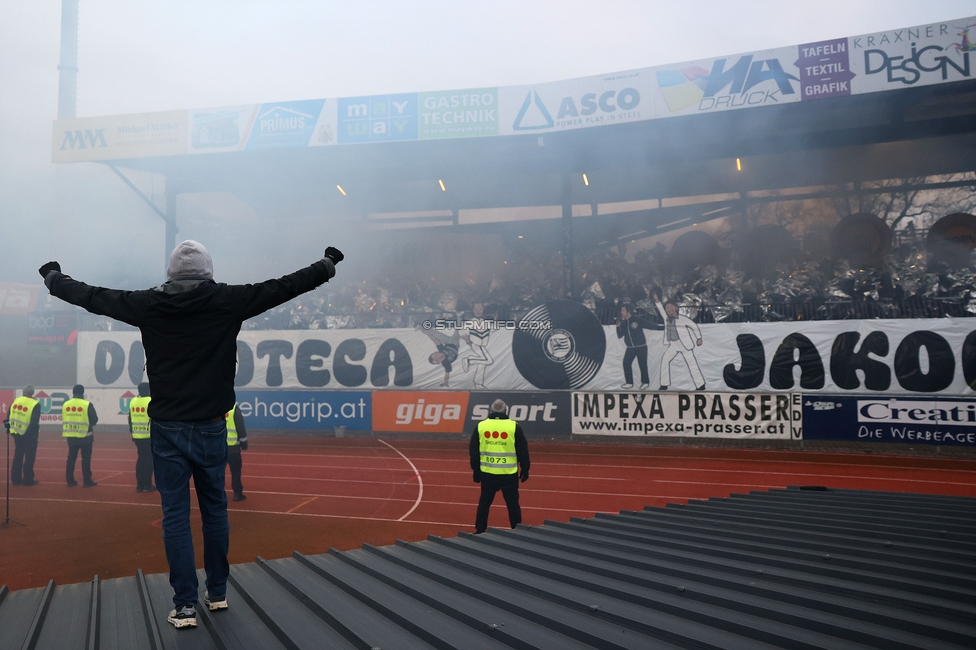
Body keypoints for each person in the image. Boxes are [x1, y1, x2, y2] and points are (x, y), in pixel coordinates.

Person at [40, 239, 343, 630]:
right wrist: (327, 263)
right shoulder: (229, 301)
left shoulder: (148, 304)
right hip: (213, 425)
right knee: (215, 511)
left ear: (170, 273)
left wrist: (53, 278)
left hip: (166, 428)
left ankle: (184, 606)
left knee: (176, 517)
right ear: (208, 271)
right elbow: (286, 285)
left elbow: (93, 297)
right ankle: (216, 593)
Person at [469, 399, 529, 534]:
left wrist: (476, 470)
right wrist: (525, 468)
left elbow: (474, 451)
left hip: (487, 473)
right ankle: (517, 530)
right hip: (508, 473)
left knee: (484, 504)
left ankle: (479, 530)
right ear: (505, 411)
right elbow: (522, 450)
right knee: (513, 504)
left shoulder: (481, 426)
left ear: (491, 411)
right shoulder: (514, 426)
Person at [654, 293, 706, 391]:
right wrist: (657, 301)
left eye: (671, 307)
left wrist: (698, 338)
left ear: (676, 308)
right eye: (667, 308)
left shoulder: (682, 318)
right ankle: (664, 384)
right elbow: (660, 309)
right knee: (665, 360)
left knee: (692, 363)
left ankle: (700, 385)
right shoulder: (666, 318)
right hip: (673, 344)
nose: (669, 309)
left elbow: (693, 326)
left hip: (683, 344)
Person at [63, 384, 98, 488]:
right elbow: (94, 419)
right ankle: (87, 481)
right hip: (85, 436)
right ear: (83, 392)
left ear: (73, 392)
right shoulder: (86, 404)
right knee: (86, 459)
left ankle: (69, 480)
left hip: (71, 435)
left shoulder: (66, 404)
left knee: (71, 458)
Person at [616, 304, 656, 390]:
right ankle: (629, 382)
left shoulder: (637, 320)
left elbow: (650, 325)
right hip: (630, 348)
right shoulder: (623, 323)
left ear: (628, 311)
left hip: (641, 346)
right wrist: (618, 327)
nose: (621, 312)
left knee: (642, 364)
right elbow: (619, 335)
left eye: (623, 310)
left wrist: (664, 327)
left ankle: (645, 382)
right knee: (626, 363)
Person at [7, 385, 41, 486]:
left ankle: (15, 479)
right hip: (29, 434)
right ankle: (28, 479)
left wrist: (9, 428)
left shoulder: (15, 401)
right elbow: (34, 421)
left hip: (16, 432)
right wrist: (29, 433)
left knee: (18, 455)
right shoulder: (35, 403)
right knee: (29, 457)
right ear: (32, 393)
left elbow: (8, 415)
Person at [129, 382, 155, 493]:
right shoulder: (150, 401)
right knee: (149, 460)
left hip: (137, 435)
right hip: (149, 435)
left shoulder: (133, 401)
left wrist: (132, 432)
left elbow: (130, 419)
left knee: (140, 459)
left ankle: (139, 485)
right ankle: (147, 485)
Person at [461, 302, 493, 390]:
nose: (478, 311)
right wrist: (467, 339)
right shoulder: (470, 322)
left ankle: (478, 384)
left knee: (482, 363)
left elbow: (494, 329)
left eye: (480, 309)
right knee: (489, 360)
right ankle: (468, 360)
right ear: (473, 310)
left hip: (483, 345)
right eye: (476, 309)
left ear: (483, 310)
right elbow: (462, 332)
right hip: (475, 344)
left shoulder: (486, 322)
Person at [225, 403, 248, 502]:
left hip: (219, 447)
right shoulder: (235, 410)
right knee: (236, 471)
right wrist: (244, 443)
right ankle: (237, 493)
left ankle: (217, 494)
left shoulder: (216, 407)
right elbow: (241, 428)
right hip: (233, 448)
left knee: (218, 472)